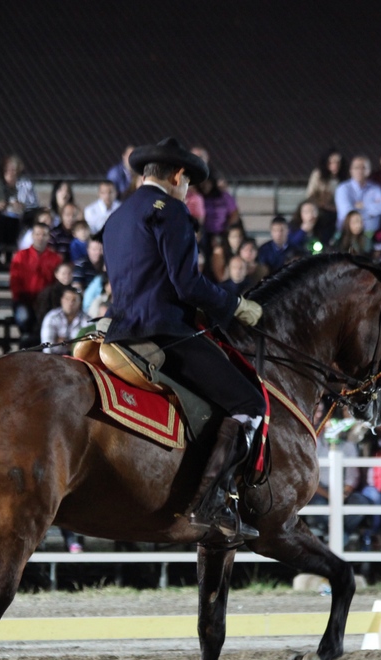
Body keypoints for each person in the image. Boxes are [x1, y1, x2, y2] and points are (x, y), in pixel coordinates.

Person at [102, 138, 265, 540]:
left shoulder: (118, 215)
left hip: (120, 327)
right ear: (177, 176)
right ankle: (212, 502)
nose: (188, 190)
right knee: (250, 402)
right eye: (188, 182)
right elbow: (187, 283)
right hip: (164, 331)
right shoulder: (171, 211)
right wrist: (234, 306)